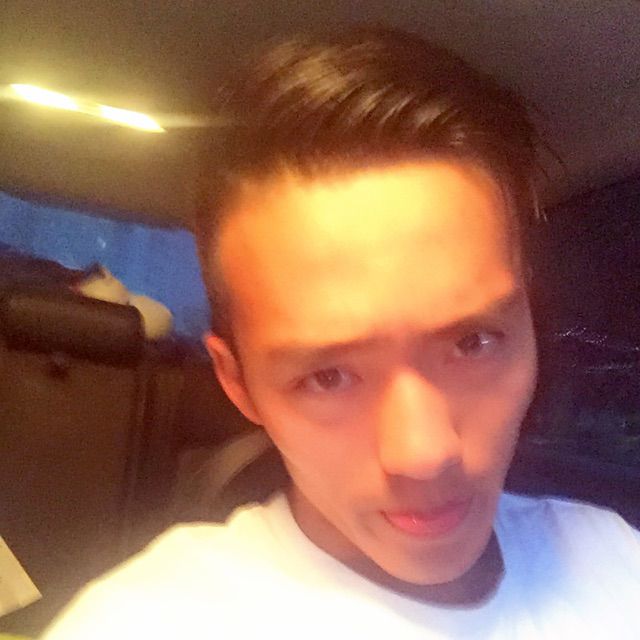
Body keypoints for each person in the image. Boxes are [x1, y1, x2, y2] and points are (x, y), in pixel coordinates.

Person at [43, 27, 639, 639]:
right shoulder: (145, 623)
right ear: (239, 384)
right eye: (327, 377)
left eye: (473, 343)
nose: (424, 455)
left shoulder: (613, 557)